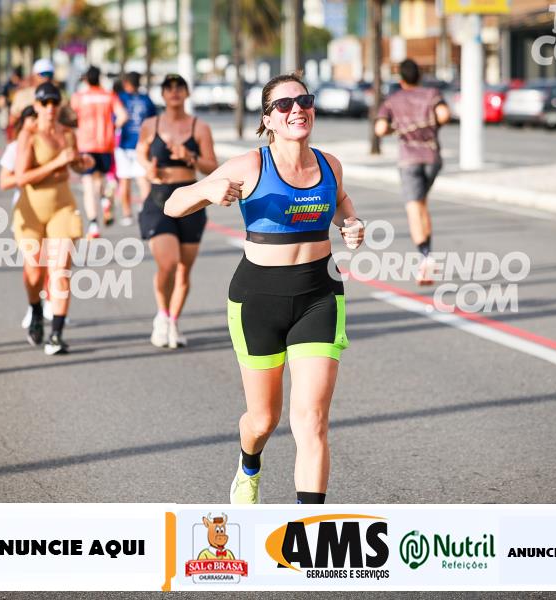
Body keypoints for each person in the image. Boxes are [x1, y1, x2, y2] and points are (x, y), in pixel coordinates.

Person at [164, 73, 365, 504]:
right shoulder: (250, 166)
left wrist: (350, 222)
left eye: (304, 100)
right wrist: (208, 189)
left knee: (312, 422)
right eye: (284, 105)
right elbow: (172, 205)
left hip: (320, 296)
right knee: (263, 420)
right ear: (268, 119)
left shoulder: (329, 164)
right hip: (258, 300)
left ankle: (308, 530)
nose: (297, 110)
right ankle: (249, 464)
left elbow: (341, 201)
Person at [135, 74, 216, 349]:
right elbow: (140, 153)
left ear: (187, 92)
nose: (174, 92)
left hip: (190, 198)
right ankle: (161, 314)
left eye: (179, 87)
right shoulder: (151, 125)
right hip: (159, 198)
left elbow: (212, 166)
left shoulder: (200, 127)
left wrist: (190, 157)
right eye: (168, 88)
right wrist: (148, 167)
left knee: (184, 269)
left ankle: (172, 321)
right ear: (162, 94)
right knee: (168, 263)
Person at [14, 83, 93, 354]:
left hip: (62, 206)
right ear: (36, 106)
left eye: (54, 103)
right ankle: (36, 309)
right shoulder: (28, 135)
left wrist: (83, 164)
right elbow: (21, 177)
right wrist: (57, 163)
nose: (50, 108)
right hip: (32, 209)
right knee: (35, 272)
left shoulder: (67, 134)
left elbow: (74, 163)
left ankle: (56, 334)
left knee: (60, 271)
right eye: (44, 103)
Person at [374, 58, 450, 285]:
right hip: (432, 157)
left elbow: (380, 128)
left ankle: (425, 257)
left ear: (401, 79)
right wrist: (431, 125)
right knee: (422, 203)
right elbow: (444, 114)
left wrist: (396, 129)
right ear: (420, 76)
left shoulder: (393, 100)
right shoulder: (432, 94)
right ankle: (429, 254)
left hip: (409, 159)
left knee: (414, 208)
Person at [0, 105, 55, 331]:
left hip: (53, 208)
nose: (36, 123)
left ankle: (52, 303)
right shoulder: (15, 148)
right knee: (34, 264)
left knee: (54, 261)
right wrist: (32, 175)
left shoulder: (53, 143)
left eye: (38, 118)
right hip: (27, 210)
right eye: (31, 119)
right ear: (23, 123)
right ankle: (34, 307)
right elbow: (5, 181)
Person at [70, 65, 128, 238]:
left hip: (85, 145)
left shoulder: (79, 97)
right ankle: (104, 200)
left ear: (86, 79)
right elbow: (123, 116)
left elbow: (69, 117)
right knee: (99, 179)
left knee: (88, 184)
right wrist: (112, 127)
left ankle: (94, 224)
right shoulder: (109, 96)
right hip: (105, 144)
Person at [114, 71, 156, 227]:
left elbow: (115, 120)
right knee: (142, 180)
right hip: (142, 144)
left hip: (124, 145)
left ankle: (127, 214)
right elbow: (153, 121)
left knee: (124, 181)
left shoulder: (121, 99)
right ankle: (146, 210)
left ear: (126, 83)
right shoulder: (146, 99)